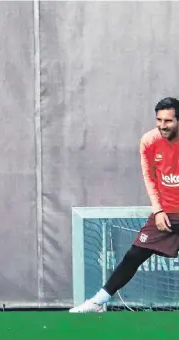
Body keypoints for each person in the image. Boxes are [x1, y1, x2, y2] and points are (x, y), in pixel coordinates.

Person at [70, 97, 179, 313]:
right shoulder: (149, 140)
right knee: (134, 256)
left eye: (168, 121)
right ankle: (97, 302)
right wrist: (157, 210)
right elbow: (149, 176)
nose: (162, 125)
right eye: (159, 120)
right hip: (166, 213)